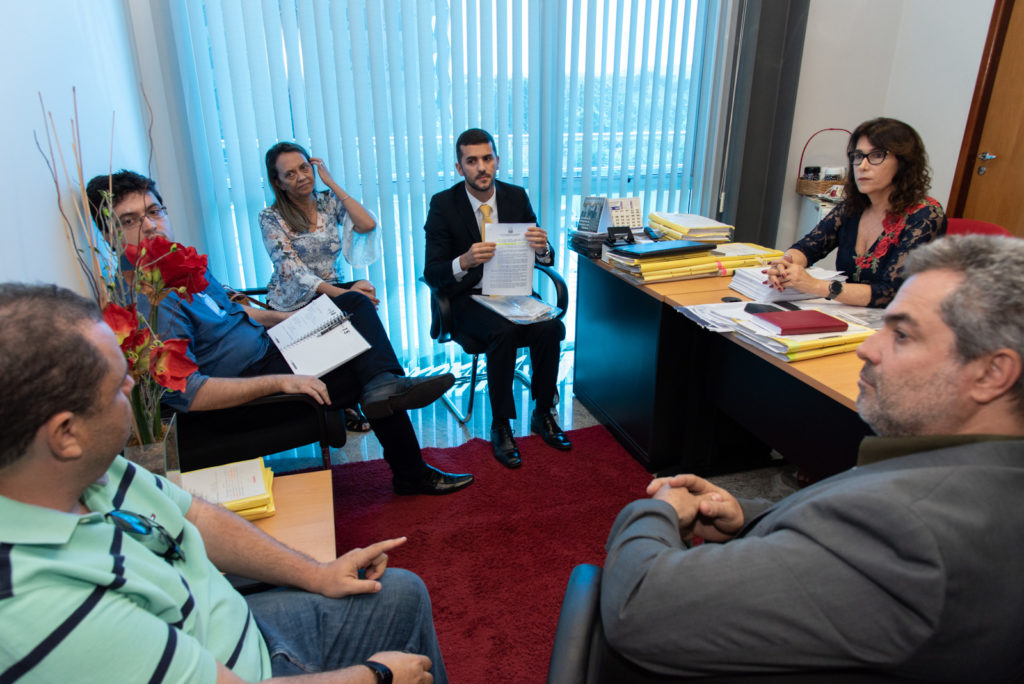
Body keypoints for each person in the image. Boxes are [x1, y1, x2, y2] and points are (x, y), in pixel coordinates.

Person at [602, 234, 1024, 680]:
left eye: (901, 334)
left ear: (992, 373)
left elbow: (639, 607)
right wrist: (748, 517)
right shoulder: (986, 475)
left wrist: (658, 512)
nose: (867, 348)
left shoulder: (906, 532)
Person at [0, 283, 445, 683]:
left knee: (404, 592)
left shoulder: (92, 471)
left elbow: (193, 516)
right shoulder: (41, 606)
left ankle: (384, 395)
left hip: (234, 624)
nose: (135, 386)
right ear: (66, 435)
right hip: (246, 668)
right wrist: (376, 676)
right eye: (118, 386)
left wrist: (319, 573)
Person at [86, 170, 473, 496]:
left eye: (154, 211)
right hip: (253, 386)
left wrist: (297, 317)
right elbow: (188, 393)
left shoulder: (176, 265)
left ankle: (383, 390)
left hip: (270, 349)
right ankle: (408, 466)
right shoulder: (149, 303)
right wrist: (281, 383)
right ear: (108, 235)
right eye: (129, 220)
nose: (150, 225)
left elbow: (237, 312)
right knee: (365, 366)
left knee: (353, 304)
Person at [423, 128, 571, 469]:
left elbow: (543, 256)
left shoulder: (516, 196)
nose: (481, 167)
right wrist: (464, 261)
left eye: (487, 159)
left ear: (497, 161)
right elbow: (432, 273)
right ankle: (501, 424)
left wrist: (543, 248)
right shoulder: (443, 205)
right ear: (459, 167)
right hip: (468, 298)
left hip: (513, 292)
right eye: (472, 161)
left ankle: (543, 412)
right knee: (502, 332)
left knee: (549, 327)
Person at [260, 142, 380, 433]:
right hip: (293, 298)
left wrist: (331, 183)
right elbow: (295, 273)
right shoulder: (271, 217)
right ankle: (359, 393)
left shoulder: (327, 202)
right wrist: (345, 295)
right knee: (357, 300)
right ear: (278, 182)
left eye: (304, 168)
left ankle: (373, 386)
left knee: (365, 289)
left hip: (329, 287)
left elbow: (367, 224)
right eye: (290, 174)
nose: (301, 177)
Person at [765, 117, 946, 307]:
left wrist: (815, 285)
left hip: (896, 318)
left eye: (877, 155)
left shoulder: (926, 215)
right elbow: (808, 247)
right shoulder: (852, 207)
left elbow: (891, 292)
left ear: (904, 163)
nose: (862, 166)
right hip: (851, 314)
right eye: (858, 156)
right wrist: (785, 265)